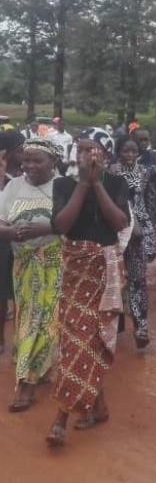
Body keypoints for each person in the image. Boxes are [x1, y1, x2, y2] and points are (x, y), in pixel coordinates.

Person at [47, 129, 130, 447]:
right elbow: (61, 225)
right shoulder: (63, 184)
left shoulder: (116, 184)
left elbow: (119, 222)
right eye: (81, 150)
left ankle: (68, 415)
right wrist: (83, 184)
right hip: (75, 269)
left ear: (105, 156)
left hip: (105, 271)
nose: (85, 156)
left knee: (92, 338)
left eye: (92, 151)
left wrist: (97, 183)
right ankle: (81, 411)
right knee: (76, 340)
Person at [0, 139, 62, 412]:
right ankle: (36, 368)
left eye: (38, 161)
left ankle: (26, 385)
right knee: (28, 318)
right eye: (26, 160)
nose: (29, 166)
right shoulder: (13, 186)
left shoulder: (63, 188)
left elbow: (71, 223)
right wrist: (9, 232)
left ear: (54, 163)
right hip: (23, 265)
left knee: (48, 320)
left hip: (56, 264)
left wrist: (42, 229)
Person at [109, 136, 156, 349]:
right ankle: (115, 324)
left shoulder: (146, 172)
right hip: (115, 231)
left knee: (137, 280)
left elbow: (151, 203)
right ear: (118, 151)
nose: (130, 155)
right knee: (113, 278)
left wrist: (150, 232)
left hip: (138, 234)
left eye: (134, 151)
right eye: (125, 151)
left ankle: (141, 326)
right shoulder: (110, 172)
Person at [0, 130, 25, 354]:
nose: (24, 153)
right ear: (6, 153)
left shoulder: (25, 175)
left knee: (20, 292)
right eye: (20, 150)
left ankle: (19, 341)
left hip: (20, 240)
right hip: (2, 240)